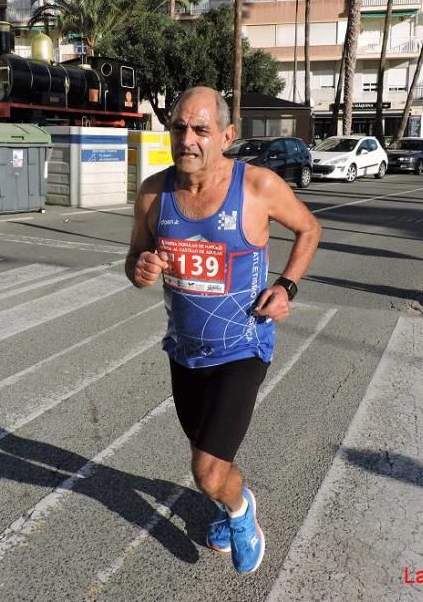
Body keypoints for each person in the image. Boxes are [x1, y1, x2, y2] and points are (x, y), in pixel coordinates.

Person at [125, 87, 321, 574]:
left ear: (227, 136)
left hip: (242, 347)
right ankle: (227, 499)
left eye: (200, 130)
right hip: (185, 351)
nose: (186, 139)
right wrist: (141, 268)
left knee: (207, 470)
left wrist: (287, 287)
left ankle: (240, 513)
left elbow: (309, 228)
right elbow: (134, 259)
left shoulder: (258, 187)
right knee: (207, 462)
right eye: (178, 128)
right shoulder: (154, 192)